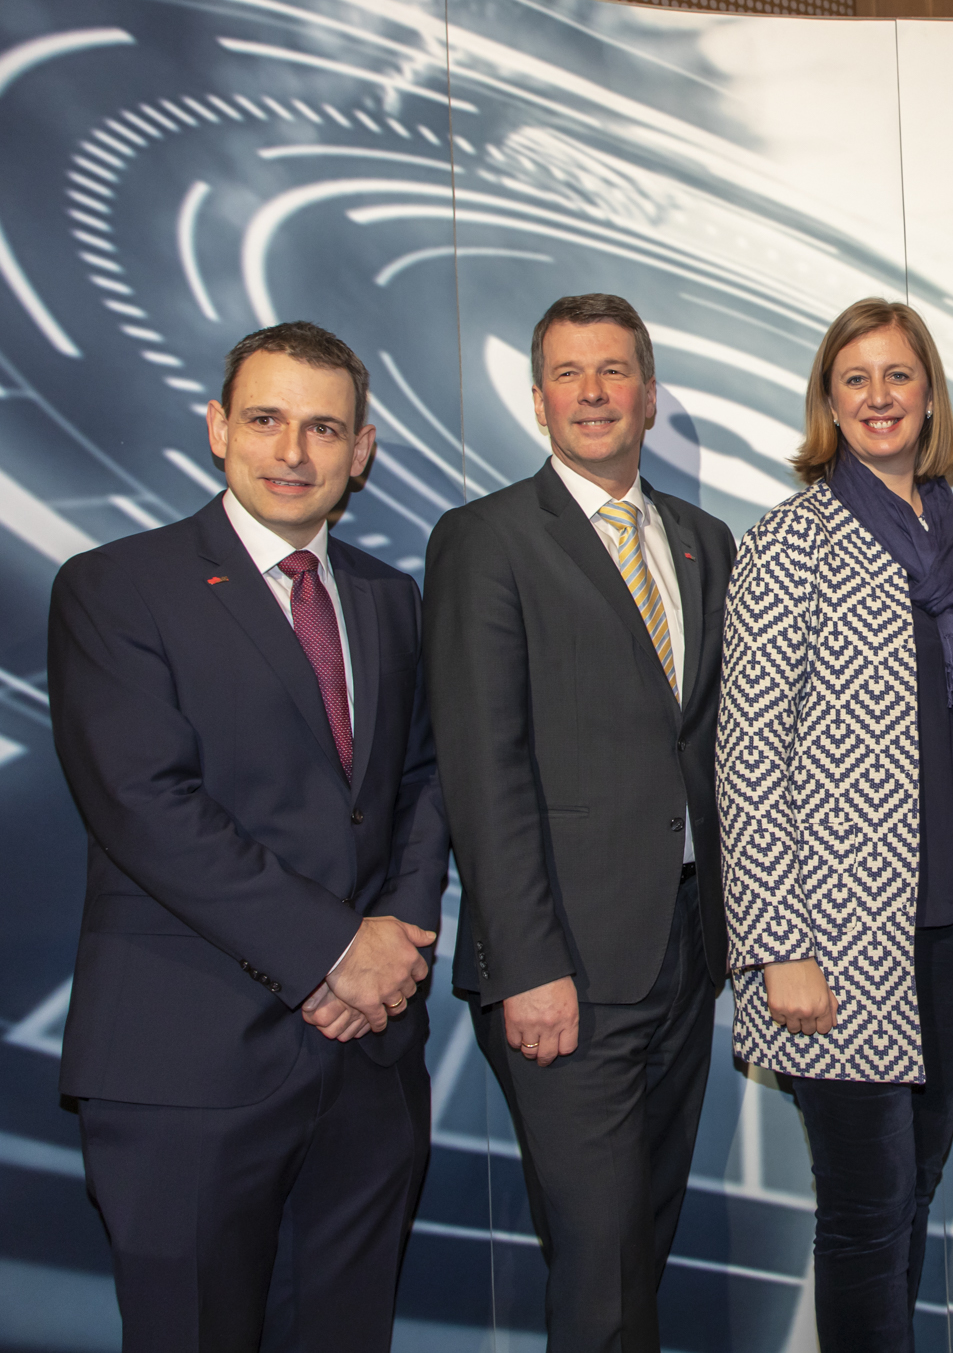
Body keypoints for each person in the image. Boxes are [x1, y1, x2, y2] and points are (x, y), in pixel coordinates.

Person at [47, 322, 448, 1352]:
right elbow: (144, 802)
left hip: (368, 1066)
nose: (293, 452)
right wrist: (334, 951)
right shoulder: (116, 585)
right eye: (266, 420)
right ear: (218, 428)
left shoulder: (389, 598)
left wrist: (396, 939)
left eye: (325, 428)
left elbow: (421, 780)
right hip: (188, 1065)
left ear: (361, 449)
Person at [424, 293, 734, 1352]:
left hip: (684, 952)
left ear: (648, 395)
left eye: (613, 371)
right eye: (568, 373)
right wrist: (526, 965)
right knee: (600, 1275)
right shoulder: (486, 540)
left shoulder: (700, 541)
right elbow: (483, 770)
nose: (592, 393)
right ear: (537, 398)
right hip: (563, 965)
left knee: (639, 1249)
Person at [718, 298, 953, 1352]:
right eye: (855, 378)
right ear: (828, 401)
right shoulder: (788, 541)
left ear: (928, 394)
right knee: (864, 1209)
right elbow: (747, 755)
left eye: (898, 375)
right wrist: (780, 943)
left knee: (914, 1190)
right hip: (837, 936)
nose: (879, 396)